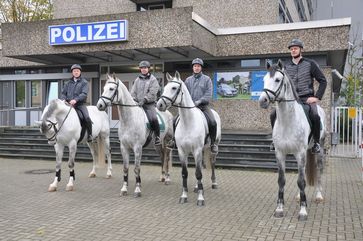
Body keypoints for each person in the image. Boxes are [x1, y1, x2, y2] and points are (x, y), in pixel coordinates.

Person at [270, 38, 327, 154]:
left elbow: (323, 81)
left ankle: (316, 143)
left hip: (307, 99)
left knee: (315, 116)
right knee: (273, 114)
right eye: (291, 49)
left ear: (301, 49)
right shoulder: (286, 67)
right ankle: (274, 140)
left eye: (295, 48)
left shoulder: (310, 64)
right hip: (291, 100)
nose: (293, 50)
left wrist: (316, 97)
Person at [167, 58, 218, 154]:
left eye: (198, 66)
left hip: (203, 107)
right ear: (193, 68)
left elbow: (208, 94)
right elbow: (184, 93)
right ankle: (173, 140)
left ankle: (213, 144)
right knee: (174, 120)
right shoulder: (188, 80)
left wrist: (199, 102)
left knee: (212, 122)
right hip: (189, 108)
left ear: (201, 68)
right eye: (195, 66)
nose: (196, 68)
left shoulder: (207, 80)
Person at [130, 60, 161, 146]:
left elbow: (153, 92)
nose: (143, 69)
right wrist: (134, 100)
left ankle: (157, 136)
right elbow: (133, 92)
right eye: (142, 68)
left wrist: (144, 100)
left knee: (154, 118)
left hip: (149, 104)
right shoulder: (137, 80)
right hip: (138, 104)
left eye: (145, 68)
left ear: (148, 69)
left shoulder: (153, 79)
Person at [61, 64, 93, 142]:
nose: (76, 72)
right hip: (68, 105)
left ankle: (90, 135)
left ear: (80, 72)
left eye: (77, 71)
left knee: (87, 118)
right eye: (74, 71)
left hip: (79, 105)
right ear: (72, 72)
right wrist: (64, 99)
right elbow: (63, 93)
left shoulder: (84, 82)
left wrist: (75, 100)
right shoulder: (68, 83)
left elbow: (84, 94)